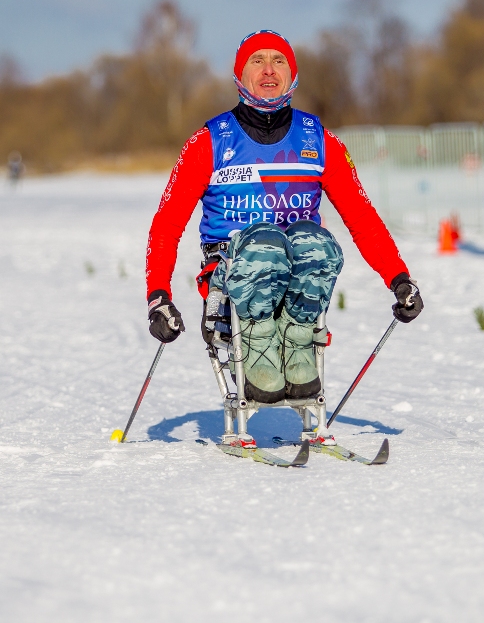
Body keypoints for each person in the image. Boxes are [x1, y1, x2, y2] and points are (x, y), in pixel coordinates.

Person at [144, 30, 423, 444]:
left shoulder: (318, 139)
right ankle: (256, 354)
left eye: (279, 61)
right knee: (266, 242)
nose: (269, 70)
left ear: (292, 73)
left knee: (316, 242)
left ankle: (296, 348)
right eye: (257, 61)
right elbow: (167, 223)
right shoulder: (210, 141)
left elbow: (361, 217)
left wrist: (399, 279)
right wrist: (158, 297)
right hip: (233, 277)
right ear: (240, 74)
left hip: (295, 279)